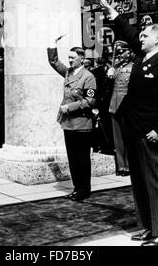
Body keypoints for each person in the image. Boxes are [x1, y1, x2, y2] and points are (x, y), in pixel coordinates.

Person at [97, 0, 158, 246]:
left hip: (150, 132)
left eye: (145, 35)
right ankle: (146, 226)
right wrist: (112, 12)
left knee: (155, 182)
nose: (140, 37)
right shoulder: (142, 57)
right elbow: (128, 32)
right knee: (138, 182)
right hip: (133, 129)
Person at [47, 36, 96, 201]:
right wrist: (52, 44)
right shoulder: (68, 72)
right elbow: (54, 62)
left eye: (72, 58)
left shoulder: (88, 76)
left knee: (82, 159)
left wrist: (70, 107)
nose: (69, 61)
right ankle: (77, 188)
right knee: (73, 159)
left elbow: (91, 101)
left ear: (81, 59)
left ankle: (84, 190)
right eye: (68, 58)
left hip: (82, 123)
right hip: (68, 123)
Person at [107, 40, 133, 176]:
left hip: (126, 108)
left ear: (129, 52)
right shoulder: (114, 67)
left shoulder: (133, 67)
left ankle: (128, 165)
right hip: (114, 106)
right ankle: (121, 166)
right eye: (118, 53)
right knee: (117, 139)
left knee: (127, 138)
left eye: (122, 52)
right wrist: (109, 76)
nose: (119, 55)